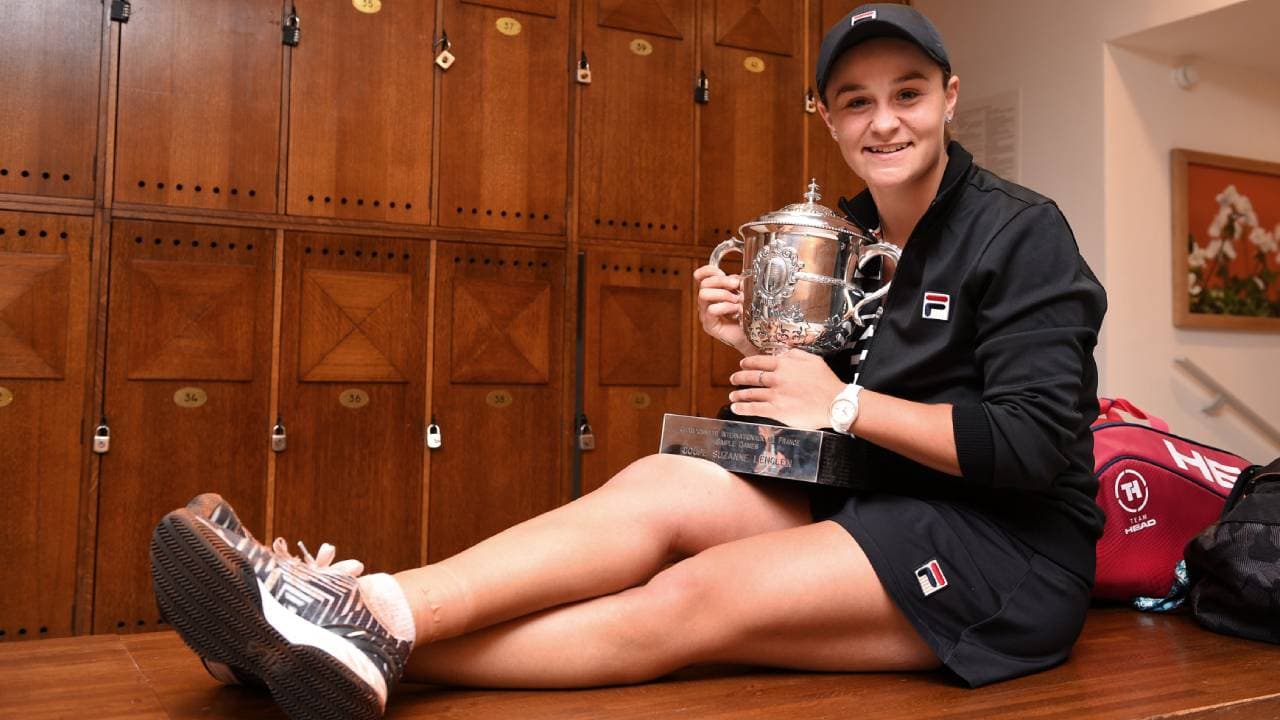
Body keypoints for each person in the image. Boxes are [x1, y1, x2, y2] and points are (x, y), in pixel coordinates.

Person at [149, 5, 1107, 719]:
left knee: (692, 597)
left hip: (1005, 550)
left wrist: (842, 403)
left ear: (948, 97)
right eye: (856, 101)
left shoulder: (1020, 233)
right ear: (825, 116)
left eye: (907, 93)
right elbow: (820, 422)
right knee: (663, 481)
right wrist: (761, 352)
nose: (883, 121)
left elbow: (1030, 445)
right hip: (877, 498)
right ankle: (369, 612)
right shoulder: (843, 235)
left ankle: (338, 638)